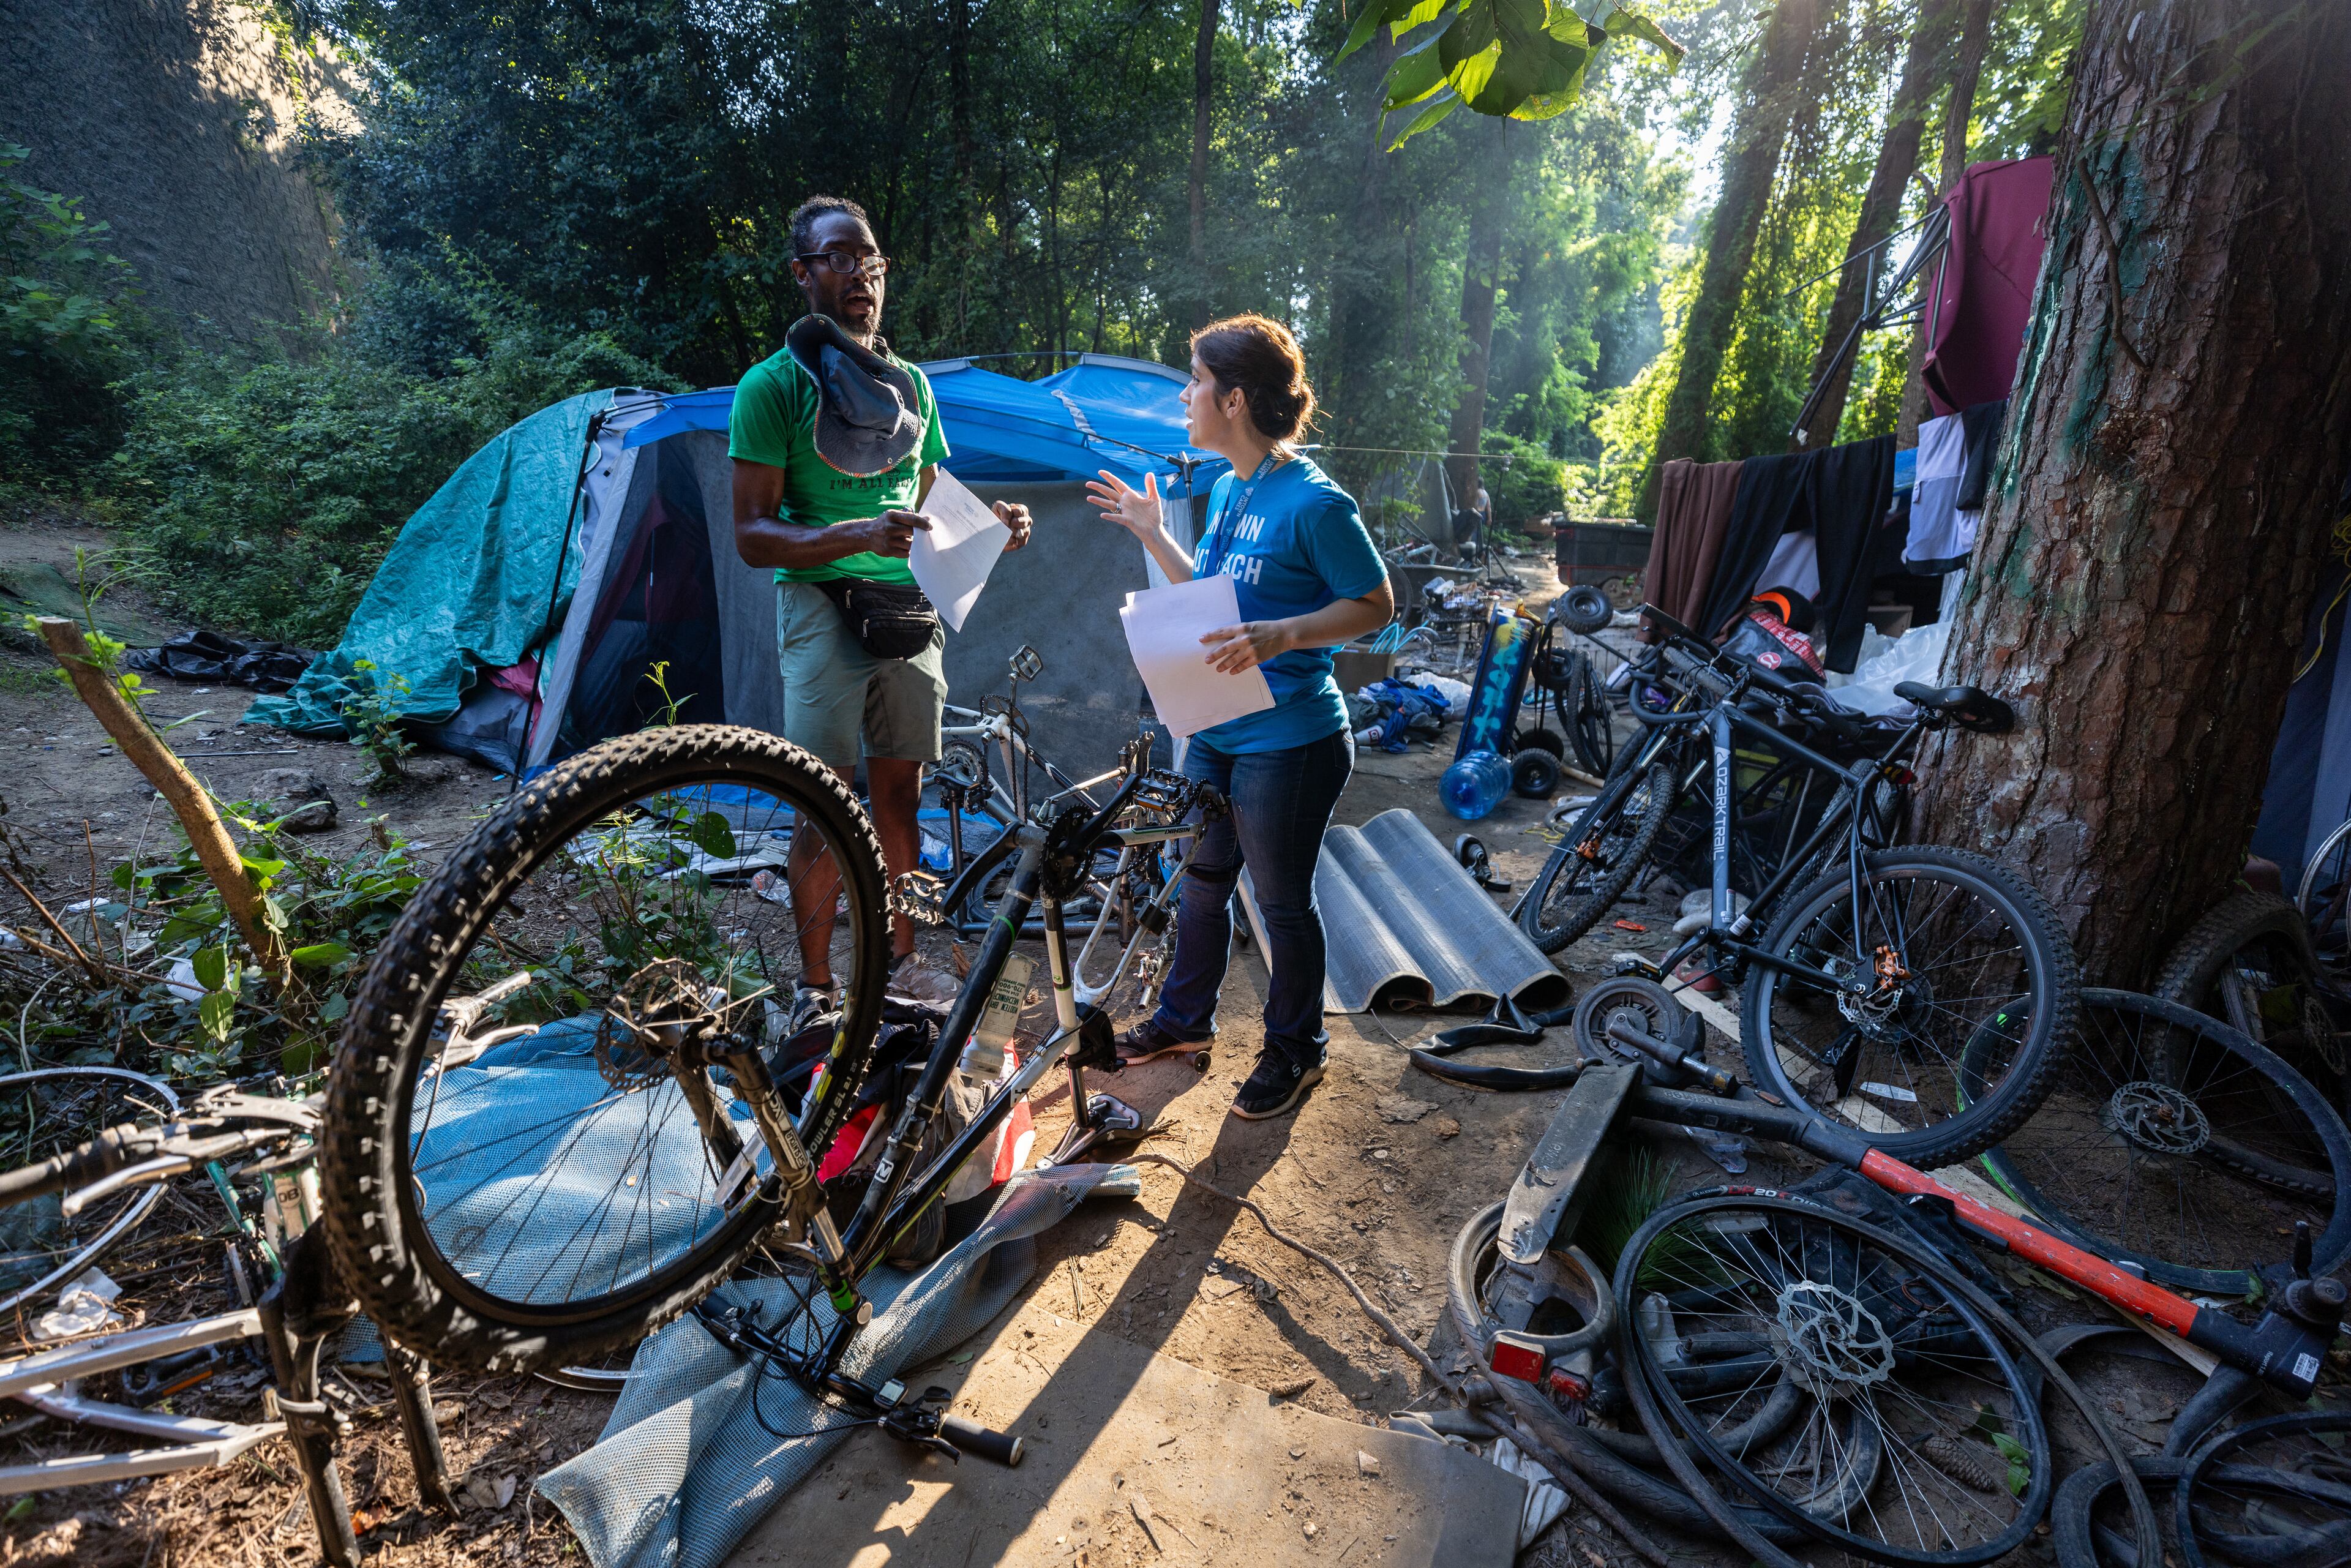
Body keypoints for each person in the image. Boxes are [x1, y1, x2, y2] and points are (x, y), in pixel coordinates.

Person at [1086, 314, 1394, 1120]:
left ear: (1234, 398)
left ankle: (1298, 1050)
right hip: (1218, 723)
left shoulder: (1316, 503)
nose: (1185, 394)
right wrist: (1157, 537)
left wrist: (1285, 634)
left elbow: (1377, 605)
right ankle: (1184, 1023)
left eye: (1193, 380)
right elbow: (1216, 599)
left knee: (1281, 900)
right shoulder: (1228, 486)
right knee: (1201, 884)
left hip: (1291, 738)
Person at [730, 195, 1032, 1011]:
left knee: (900, 797)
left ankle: (901, 963)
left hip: (909, 612)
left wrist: (992, 525)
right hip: (823, 610)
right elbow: (753, 536)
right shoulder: (772, 388)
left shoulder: (914, 392)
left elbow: (933, 500)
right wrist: (855, 533)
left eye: (871, 259)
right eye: (839, 257)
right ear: (803, 273)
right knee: (824, 805)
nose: (861, 272)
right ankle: (818, 988)